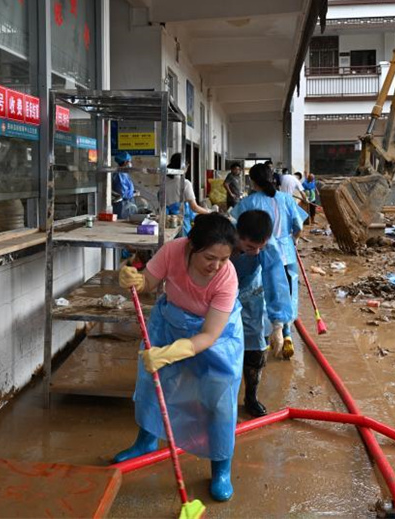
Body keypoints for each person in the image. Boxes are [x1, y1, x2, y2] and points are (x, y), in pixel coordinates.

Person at [114, 213, 243, 502]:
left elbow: (209, 335)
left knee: (219, 400)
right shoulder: (173, 251)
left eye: (224, 259)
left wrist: (172, 353)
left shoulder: (227, 277)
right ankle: (145, 442)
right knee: (153, 385)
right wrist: (135, 279)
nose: (216, 266)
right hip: (171, 322)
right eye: (210, 257)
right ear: (192, 246)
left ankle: (221, 468)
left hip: (217, 337)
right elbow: (149, 282)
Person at [232, 164, 306, 360]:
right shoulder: (286, 199)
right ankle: (285, 333)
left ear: (252, 181)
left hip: (257, 254)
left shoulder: (247, 202)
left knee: (260, 293)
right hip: (285, 252)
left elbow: (236, 226)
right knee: (284, 290)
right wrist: (293, 241)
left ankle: (272, 331)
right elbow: (299, 226)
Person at [231, 210, 290, 418]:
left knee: (255, 350)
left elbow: (276, 283)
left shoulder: (268, 247)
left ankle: (251, 397)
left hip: (250, 298)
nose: (256, 252)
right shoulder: (221, 236)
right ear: (237, 235)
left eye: (260, 248)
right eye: (249, 247)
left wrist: (278, 325)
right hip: (218, 295)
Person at [164, 152, 210, 235]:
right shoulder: (185, 183)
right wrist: (209, 212)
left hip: (166, 223)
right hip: (180, 224)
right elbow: (194, 207)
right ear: (184, 166)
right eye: (187, 165)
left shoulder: (164, 181)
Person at [111, 151, 138, 219]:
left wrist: (133, 191)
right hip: (122, 205)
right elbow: (122, 193)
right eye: (130, 161)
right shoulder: (119, 175)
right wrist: (134, 194)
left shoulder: (124, 173)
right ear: (125, 162)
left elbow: (127, 188)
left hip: (128, 203)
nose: (130, 164)